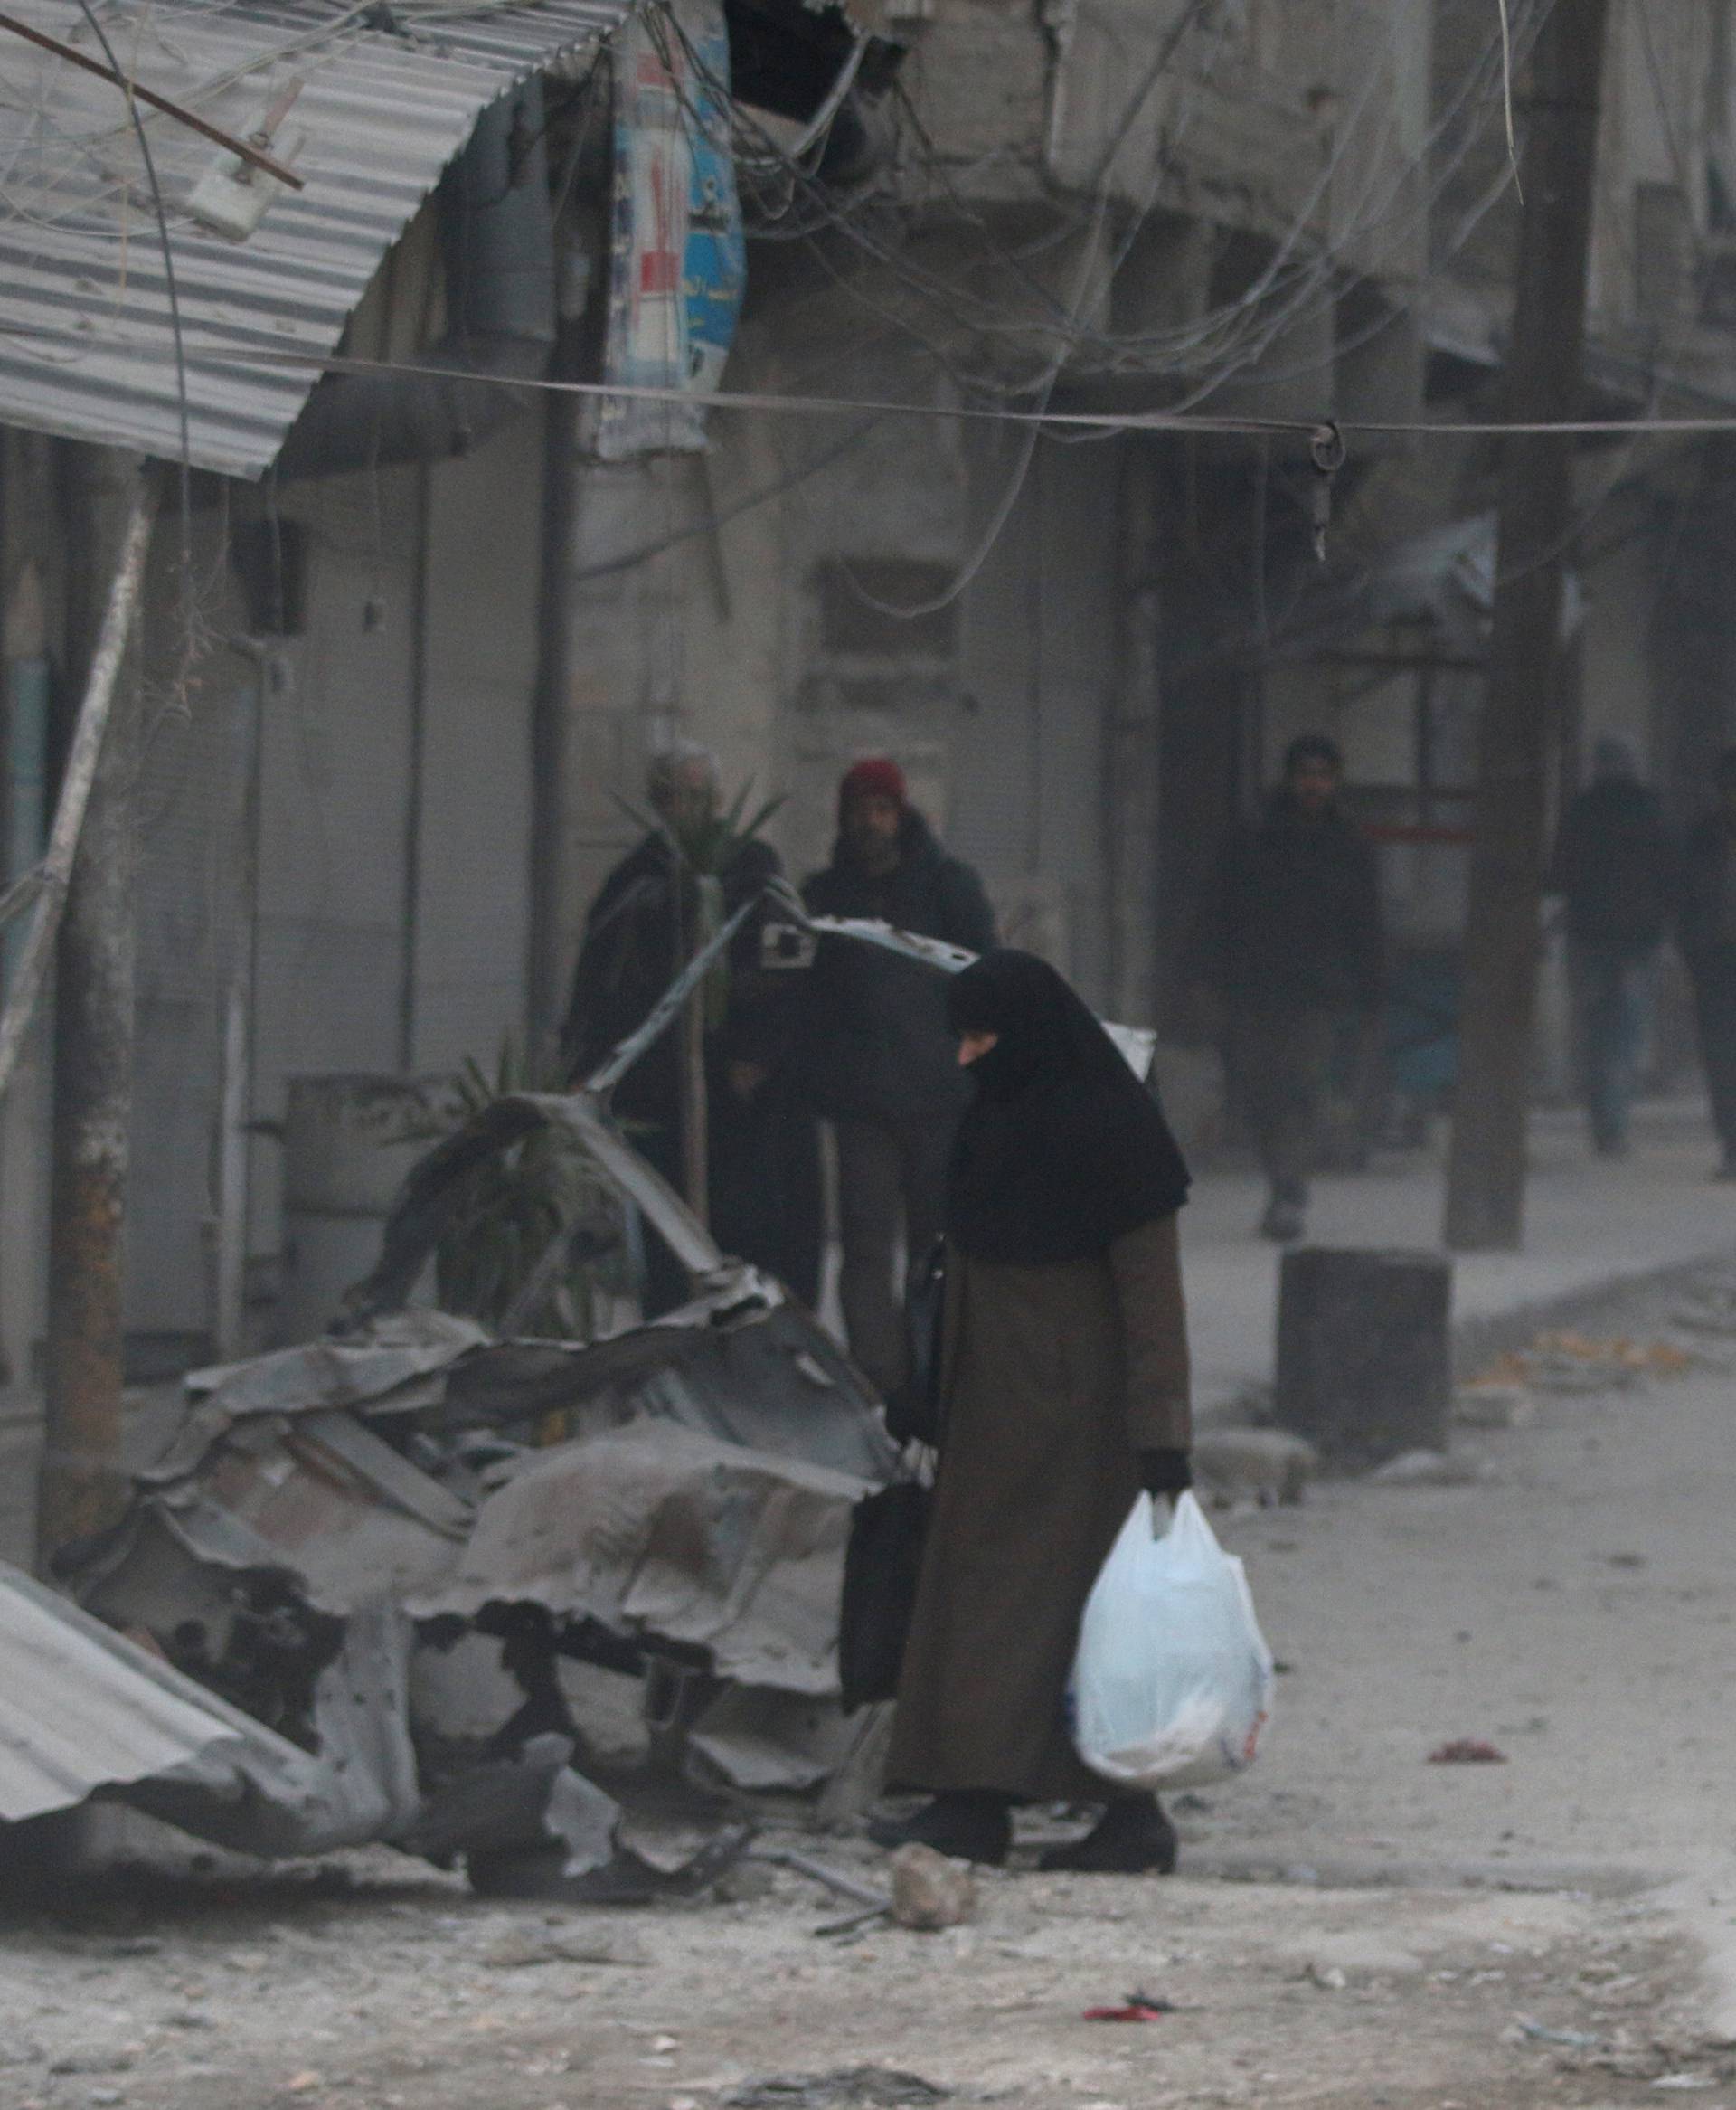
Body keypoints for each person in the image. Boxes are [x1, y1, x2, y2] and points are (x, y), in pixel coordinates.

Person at [870, 950, 1194, 1871]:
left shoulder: (1111, 1130)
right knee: (985, 1601)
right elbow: (963, 1269)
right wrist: (929, 1387)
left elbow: (1151, 1297)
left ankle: (1107, 1809)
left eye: (982, 1036)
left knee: (1077, 1610)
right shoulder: (994, 1121)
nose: (969, 1057)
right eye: (961, 1038)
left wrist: (1165, 1436)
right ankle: (980, 1798)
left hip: (1082, 1426)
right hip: (992, 1411)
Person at [561, 742, 820, 1311]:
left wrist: (756, 1052)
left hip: (740, 1095)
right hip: (659, 1093)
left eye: (704, 797)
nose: (694, 810)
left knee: (746, 1232)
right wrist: (587, 1065)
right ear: (658, 802)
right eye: (680, 797)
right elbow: (605, 976)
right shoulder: (636, 880)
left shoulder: (752, 870)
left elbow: (787, 962)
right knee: (668, 1237)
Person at [799, 760, 996, 1396]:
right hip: (863, 1106)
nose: (871, 823)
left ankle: (933, 1374)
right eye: (860, 811)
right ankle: (881, 1382)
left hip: (941, 1100)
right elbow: (811, 992)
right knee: (863, 1251)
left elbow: (986, 980)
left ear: (902, 814)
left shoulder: (948, 888)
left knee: (935, 1250)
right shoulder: (825, 897)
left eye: (882, 810)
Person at [1188, 733, 1384, 1243]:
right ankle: (1280, 1176)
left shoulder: (1350, 847)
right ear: (1290, 778)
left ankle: (1289, 1191)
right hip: (1253, 988)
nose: (1314, 785)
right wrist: (1207, 978)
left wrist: (1371, 996)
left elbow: (1367, 926)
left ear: (1336, 781)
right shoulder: (1252, 840)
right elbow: (1215, 912)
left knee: (1301, 1087)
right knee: (1257, 1089)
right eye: (1305, 774)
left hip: (1318, 994)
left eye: (1323, 775)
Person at [1547, 737, 1678, 1159]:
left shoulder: (1582, 812)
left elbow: (1559, 871)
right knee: (1626, 1034)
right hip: (1641, 937)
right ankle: (1614, 1127)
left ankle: (1600, 1121)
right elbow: (1671, 871)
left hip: (1589, 934)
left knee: (1594, 1029)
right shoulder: (1652, 811)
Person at [1679, 745, 1736, 1178]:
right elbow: (1686, 898)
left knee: (1721, 1052)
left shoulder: (1701, 836)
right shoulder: (1701, 836)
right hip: (1715, 956)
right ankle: (1733, 1143)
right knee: (1721, 1053)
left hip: (1712, 952)